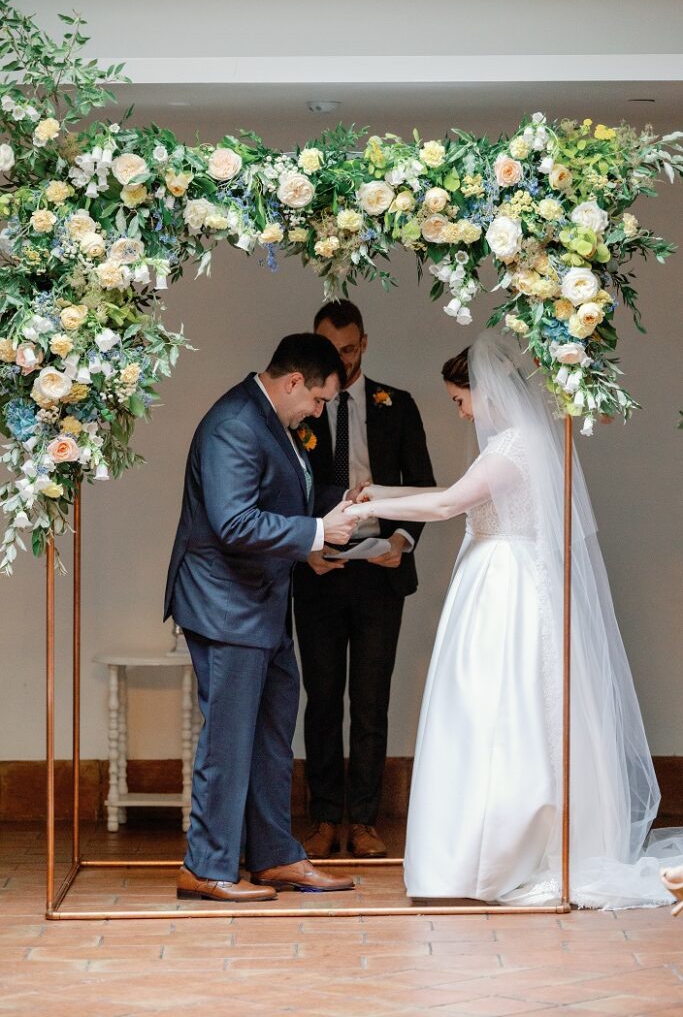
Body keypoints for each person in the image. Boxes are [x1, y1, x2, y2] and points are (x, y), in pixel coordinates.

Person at [347, 330, 683, 908]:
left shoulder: (514, 446)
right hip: (498, 573)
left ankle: (501, 853)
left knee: (499, 706)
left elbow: (451, 504)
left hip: (508, 584)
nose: (461, 411)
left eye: (460, 399)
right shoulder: (516, 442)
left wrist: (372, 507)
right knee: (490, 706)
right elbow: (456, 492)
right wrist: (380, 487)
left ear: (486, 390)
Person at [164, 333, 358, 901]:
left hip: (263, 603)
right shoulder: (235, 423)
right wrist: (317, 532)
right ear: (294, 381)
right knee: (228, 740)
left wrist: (329, 517)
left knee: (272, 736)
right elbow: (233, 523)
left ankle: (274, 857)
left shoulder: (268, 418)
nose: (318, 413)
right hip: (225, 605)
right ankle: (205, 867)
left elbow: (278, 495)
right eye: (319, 401)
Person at [293, 300, 435, 859]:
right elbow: (286, 488)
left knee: (371, 699)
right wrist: (305, 550)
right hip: (318, 568)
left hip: (381, 570)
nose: (343, 361)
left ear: (365, 344)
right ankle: (326, 817)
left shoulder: (396, 404)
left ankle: (367, 820)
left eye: (350, 350)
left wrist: (402, 543)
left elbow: (422, 486)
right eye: (333, 351)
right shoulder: (303, 407)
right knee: (322, 696)